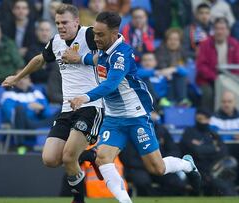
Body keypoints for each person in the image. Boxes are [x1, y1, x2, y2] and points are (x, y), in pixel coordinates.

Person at [68, 11, 201, 203]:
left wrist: (85, 97)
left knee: (157, 168)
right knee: (103, 158)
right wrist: (79, 59)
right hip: (114, 119)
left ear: (114, 34)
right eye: (95, 33)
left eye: (100, 34)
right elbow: (97, 61)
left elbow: (111, 84)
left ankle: (187, 165)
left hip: (135, 116)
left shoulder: (123, 53)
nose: (95, 38)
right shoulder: (104, 51)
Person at [2, 4, 103, 203]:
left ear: (76, 22)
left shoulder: (89, 35)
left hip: (91, 106)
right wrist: (17, 77)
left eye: (65, 22)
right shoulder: (56, 42)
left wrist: (81, 58)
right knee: (49, 159)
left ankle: (78, 199)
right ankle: (88, 155)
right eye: (57, 23)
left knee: (68, 157)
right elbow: (40, 60)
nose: (61, 27)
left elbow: (110, 54)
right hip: (67, 109)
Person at [180, 109, 238, 196]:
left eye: (203, 119)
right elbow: (194, 151)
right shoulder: (189, 132)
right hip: (196, 169)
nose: (200, 122)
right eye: (198, 119)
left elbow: (223, 152)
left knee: (226, 185)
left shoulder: (213, 134)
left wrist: (202, 148)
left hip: (214, 169)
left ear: (208, 120)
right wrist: (214, 149)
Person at [196, 17, 239, 112]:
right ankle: (208, 117)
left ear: (228, 31)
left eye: (222, 29)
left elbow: (237, 64)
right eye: (217, 29)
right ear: (213, 30)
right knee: (208, 93)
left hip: (230, 77)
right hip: (208, 79)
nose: (219, 32)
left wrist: (229, 77)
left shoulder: (234, 44)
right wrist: (215, 77)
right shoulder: (205, 44)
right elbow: (201, 66)